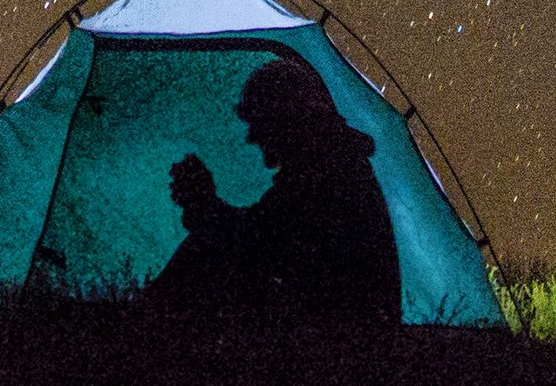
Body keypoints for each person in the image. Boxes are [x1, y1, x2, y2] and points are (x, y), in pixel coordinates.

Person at [144, 53, 403, 320]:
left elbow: (256, 242)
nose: (251, 136)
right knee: (206, 252)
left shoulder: (326, 175)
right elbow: (260, 234)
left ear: (284, 120)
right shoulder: (330, 165)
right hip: (340, 327)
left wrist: (203, 204)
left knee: (204, 255)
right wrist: (205, 205)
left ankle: (136, 334)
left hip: (337, 335)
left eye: (259, 122)